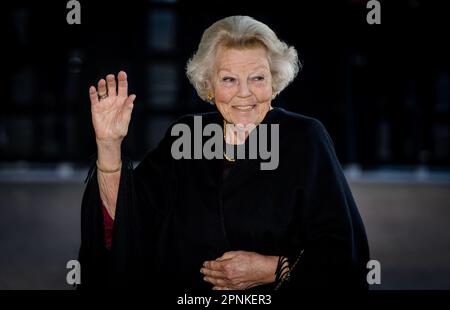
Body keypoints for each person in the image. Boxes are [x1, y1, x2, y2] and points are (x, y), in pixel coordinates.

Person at [79, 15, 369, 291]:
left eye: (257, 78)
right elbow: (128, 226)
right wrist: (108, 144)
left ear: (275, 81)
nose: (244, 93)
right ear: (209, 85)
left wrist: (273, 268)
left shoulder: (305, 138)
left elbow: (345, 257)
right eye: (229, 79)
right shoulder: (187, 136)